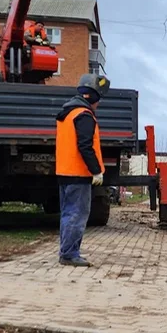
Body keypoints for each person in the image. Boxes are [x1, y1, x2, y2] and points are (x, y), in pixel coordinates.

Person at [54, 74, 110, 267]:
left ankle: (67, 251)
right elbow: (85, 146)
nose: (99, 104)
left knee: (68, 213)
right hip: (78, 174)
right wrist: (96, 170)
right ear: (92, 97)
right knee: (77, 214)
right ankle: (69, 255)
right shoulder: (83, 115)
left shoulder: (67, 112)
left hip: (65, 172)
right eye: (98, 99)